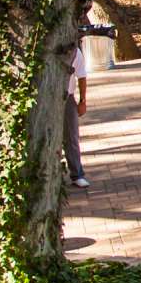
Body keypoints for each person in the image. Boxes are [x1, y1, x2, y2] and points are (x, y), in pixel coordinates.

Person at [63, 38, 89, 189]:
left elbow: (82, 77)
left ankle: (77, 174)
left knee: (71, 137)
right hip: (49, 98)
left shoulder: (75, 52)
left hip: (68, 97)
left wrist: (83, 100)